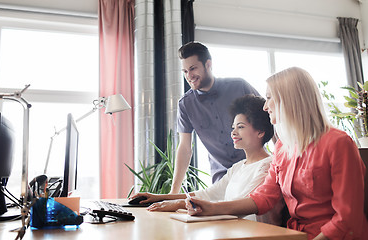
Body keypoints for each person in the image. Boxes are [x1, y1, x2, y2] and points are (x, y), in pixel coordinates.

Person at [185, 67, 368, 240]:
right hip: (295, 234)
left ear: (290, 100)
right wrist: (211, 208)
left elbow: (346, 217)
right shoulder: (282, 148)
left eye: (269, 98)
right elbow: (263, 197)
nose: (265, 107)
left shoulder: (338, 143)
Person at [130, 95, 282, 224]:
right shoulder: (238, 167)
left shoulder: (268, 165)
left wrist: (179, 204)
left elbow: (240, 204)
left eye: (240, 127)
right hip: (232, 230)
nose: (233, 132)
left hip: (253, 234)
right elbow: (208, 194)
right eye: (233, 127)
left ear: (260, 132)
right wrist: (159, 197)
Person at [170, 41, 259, 193]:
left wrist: (280, 161)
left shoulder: (239, 86)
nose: (189, 76)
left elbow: (269, 118)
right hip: (222, 179)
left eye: (193, 68)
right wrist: (173, 192)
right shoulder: (185, 104)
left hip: (254, 169)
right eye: (184, 71)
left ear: (208, 64)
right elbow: (185, 148)